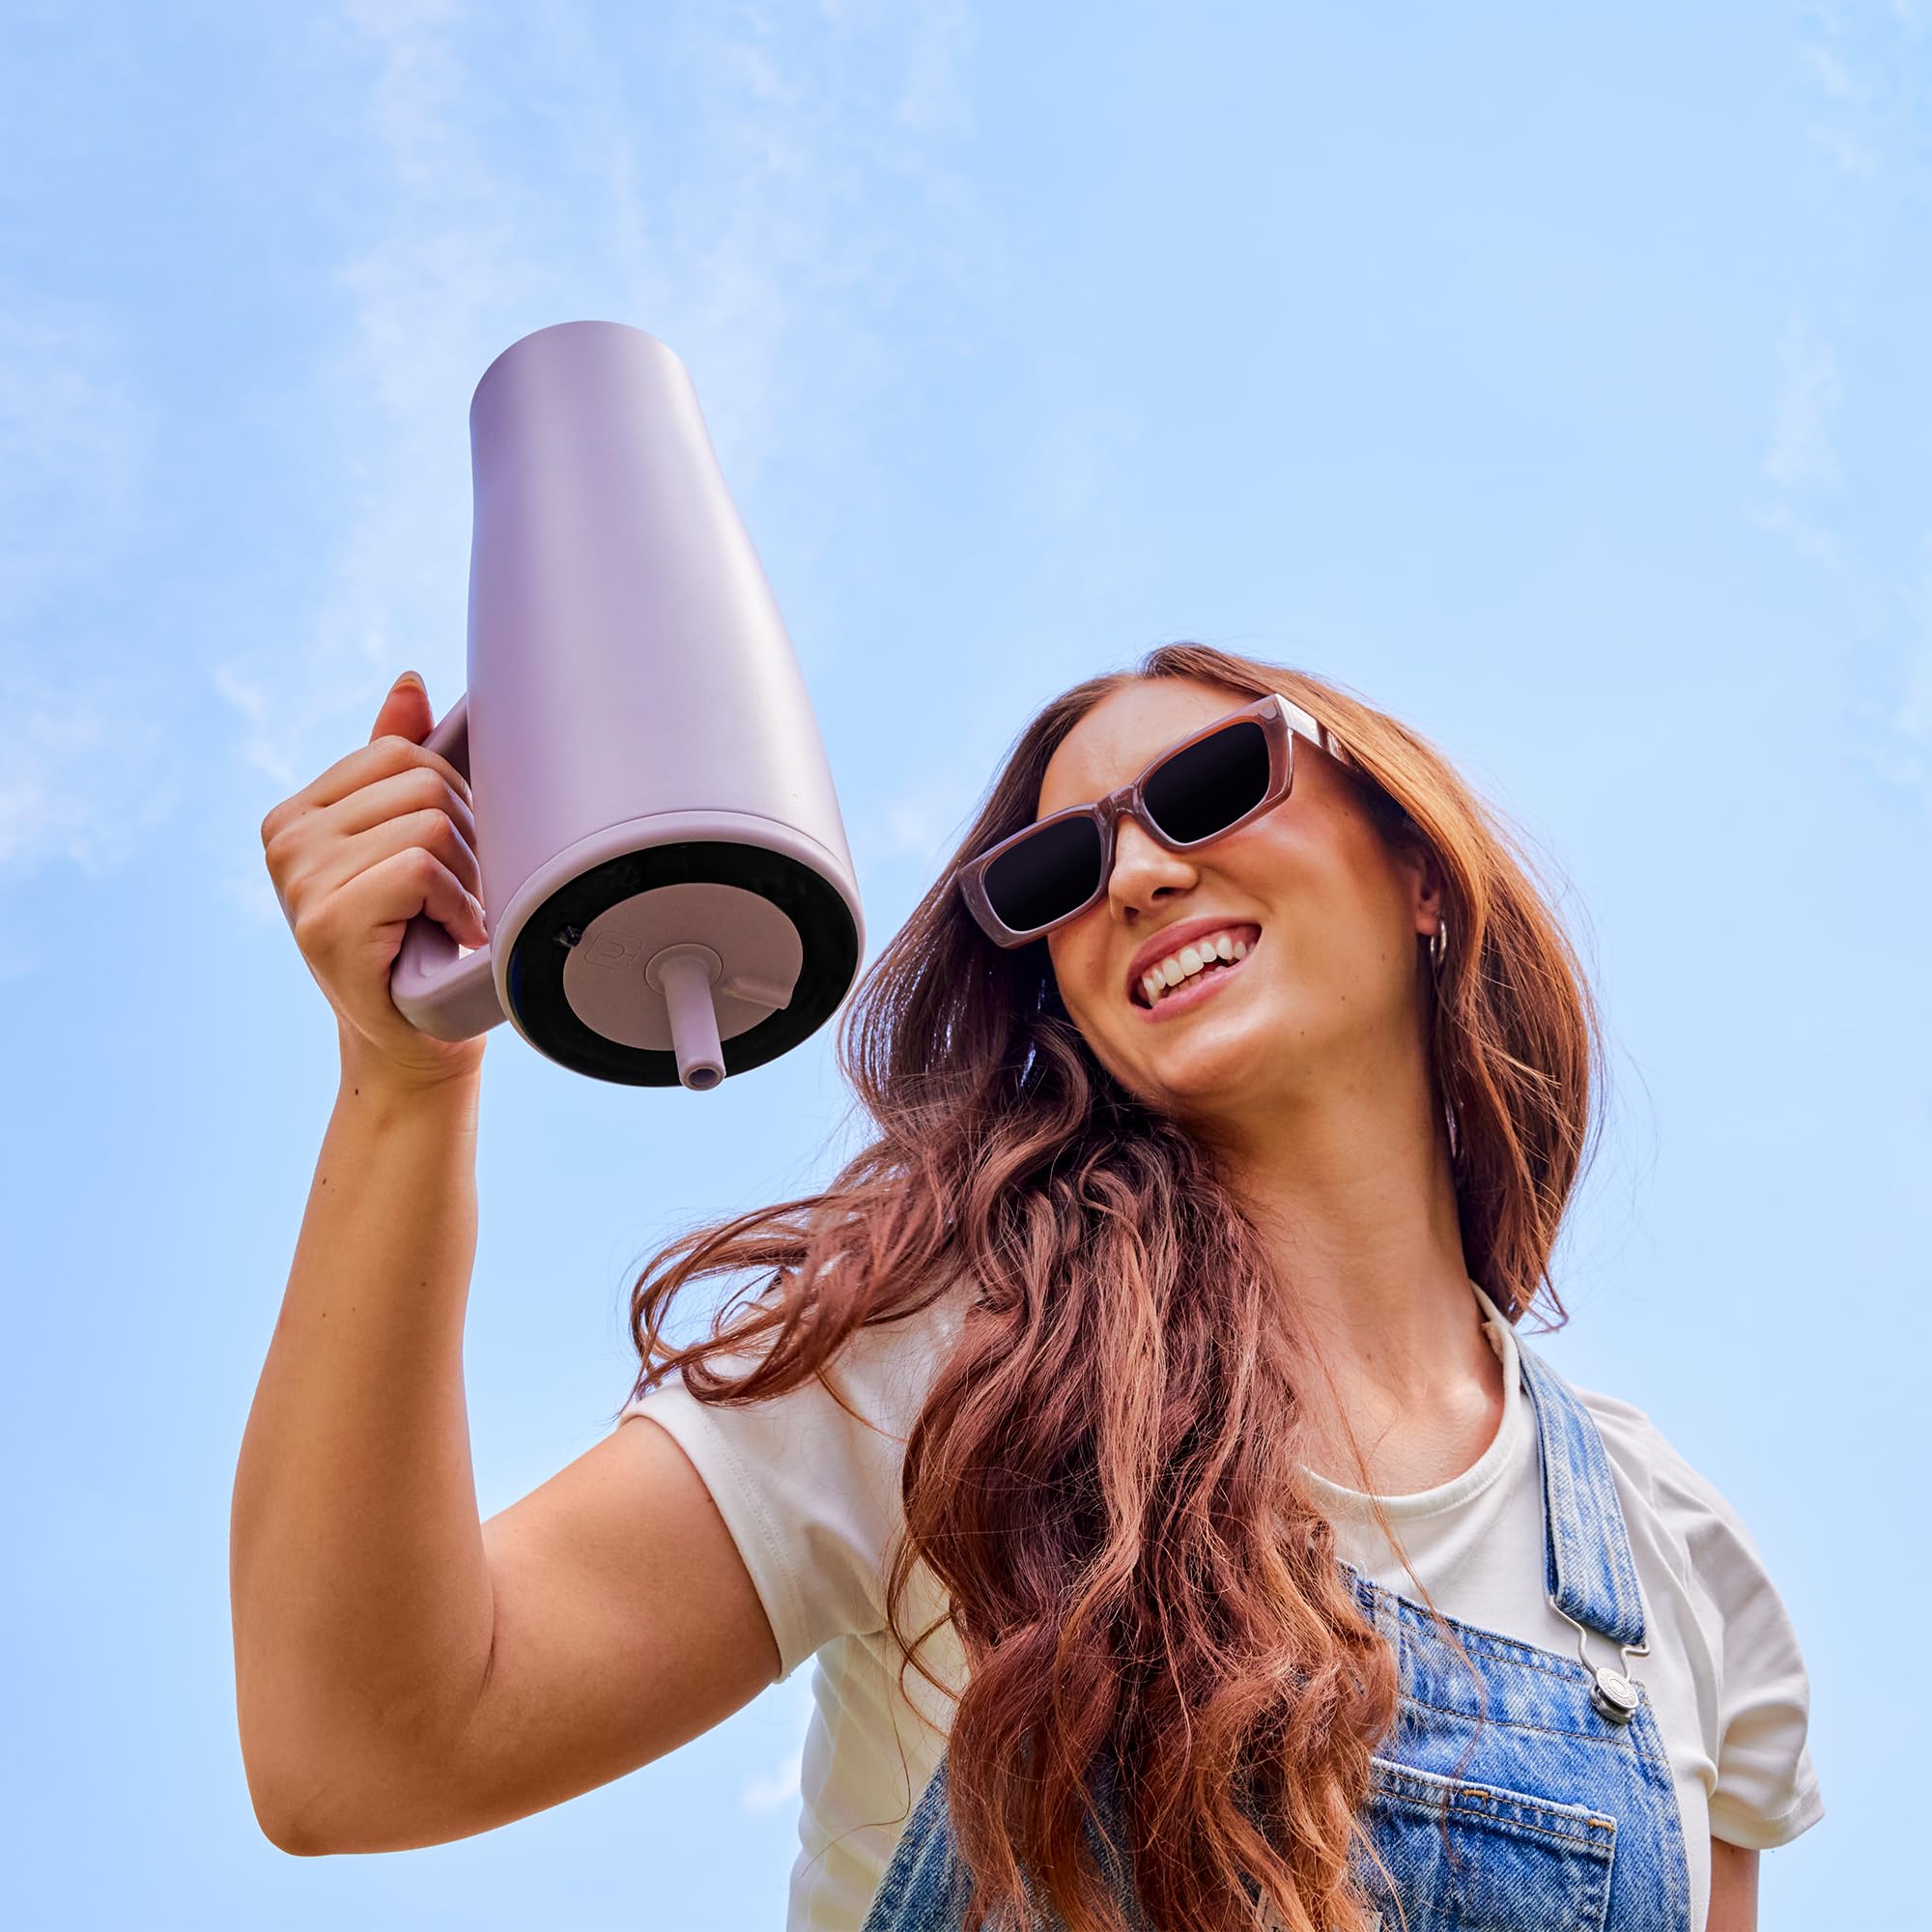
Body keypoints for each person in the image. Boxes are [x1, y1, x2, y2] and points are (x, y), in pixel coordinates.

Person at [232, 642, 1822, 1932]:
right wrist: (400, 1086)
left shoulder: (1673, 1559)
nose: (1133, 870)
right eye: (1059, 869)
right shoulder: (960, 1366)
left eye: (1210, 788)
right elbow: (362, 1749)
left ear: (1418, 868)